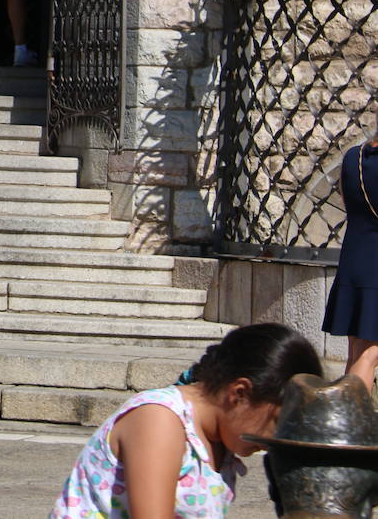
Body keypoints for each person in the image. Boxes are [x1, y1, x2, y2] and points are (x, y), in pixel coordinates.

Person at [50, 323, 322, 519]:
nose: (274, 439)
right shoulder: (160, 420)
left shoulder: (219, 442)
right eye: (277, 421)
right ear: (239, 393)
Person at [321, 130, 378, 389]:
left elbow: (347, 201)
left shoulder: (352, 157)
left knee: (356, 350)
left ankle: (344, 413)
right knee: (370, 353)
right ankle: (352, 423)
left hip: (355, 258)